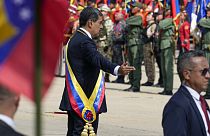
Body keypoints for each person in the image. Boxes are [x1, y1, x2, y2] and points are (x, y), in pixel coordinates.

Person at [59, 7, 135, 136]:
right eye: (100, 23)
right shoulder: (85, 42)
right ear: (90, 23)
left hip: (76, 97)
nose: (101, 27)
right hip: (84, 99)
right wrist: (117, 69)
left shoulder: (76, 38)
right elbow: (98, 59)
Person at [162, 50, 210, 136]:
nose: (208, 76)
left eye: (208, 71)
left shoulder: (200, 101)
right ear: (187, 74)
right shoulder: (177, 105)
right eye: (203, 72)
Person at [124, 2, 144, 92]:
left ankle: (136, 85)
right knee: (131, 64)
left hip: (136, 43)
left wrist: (128, 16)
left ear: (138, 8)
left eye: (133, 7)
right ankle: (132, 83)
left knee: (135, 64)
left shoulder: (139, 16)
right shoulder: (134, 16)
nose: (131, 8)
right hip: (131, 42)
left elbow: (127, 21)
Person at [158, 7, 175, 95]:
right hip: (163, 44)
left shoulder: (169, 19)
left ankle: (169, 89)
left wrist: (160, 19)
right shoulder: (165, 20)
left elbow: (160, 25)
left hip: (168, 44)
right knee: (164, 68)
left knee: (168, 68)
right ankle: (165, 87)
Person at [198, 2, 210, 99]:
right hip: (205, 49)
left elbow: (201, 22)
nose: (208, 12)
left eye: (209, 11)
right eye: (207, 11)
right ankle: (208, 91)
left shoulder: (207, 21)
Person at [111, 11, 126, 83]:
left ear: (122, 16)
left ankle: (121, 78)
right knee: (116, 61)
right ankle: (119, 77)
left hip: (120, 45)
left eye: (117, 15)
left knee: (121, 61)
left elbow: (123, 35)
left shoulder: (123, 24)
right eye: (115, 15)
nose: (115, 16)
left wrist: (117, 38)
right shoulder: (116, 24)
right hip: (115, 45)